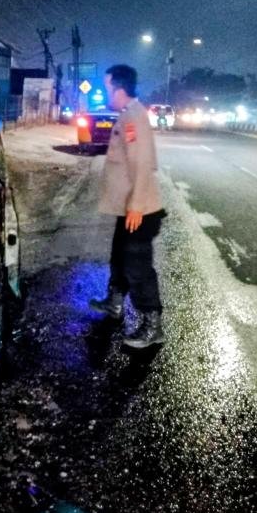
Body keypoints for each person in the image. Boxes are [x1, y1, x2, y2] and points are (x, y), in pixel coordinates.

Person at [89, 64, 166, 349]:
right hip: (129, 207)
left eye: (107, 86)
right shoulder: (128, 115)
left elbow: (142, 163)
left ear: (118, 88)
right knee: (119, 257)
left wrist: (135, 206)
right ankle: (115, 303)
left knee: (138, 267)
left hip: (140, 209)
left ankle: (152, 325)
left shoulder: (134, 118)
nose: (105, 91)